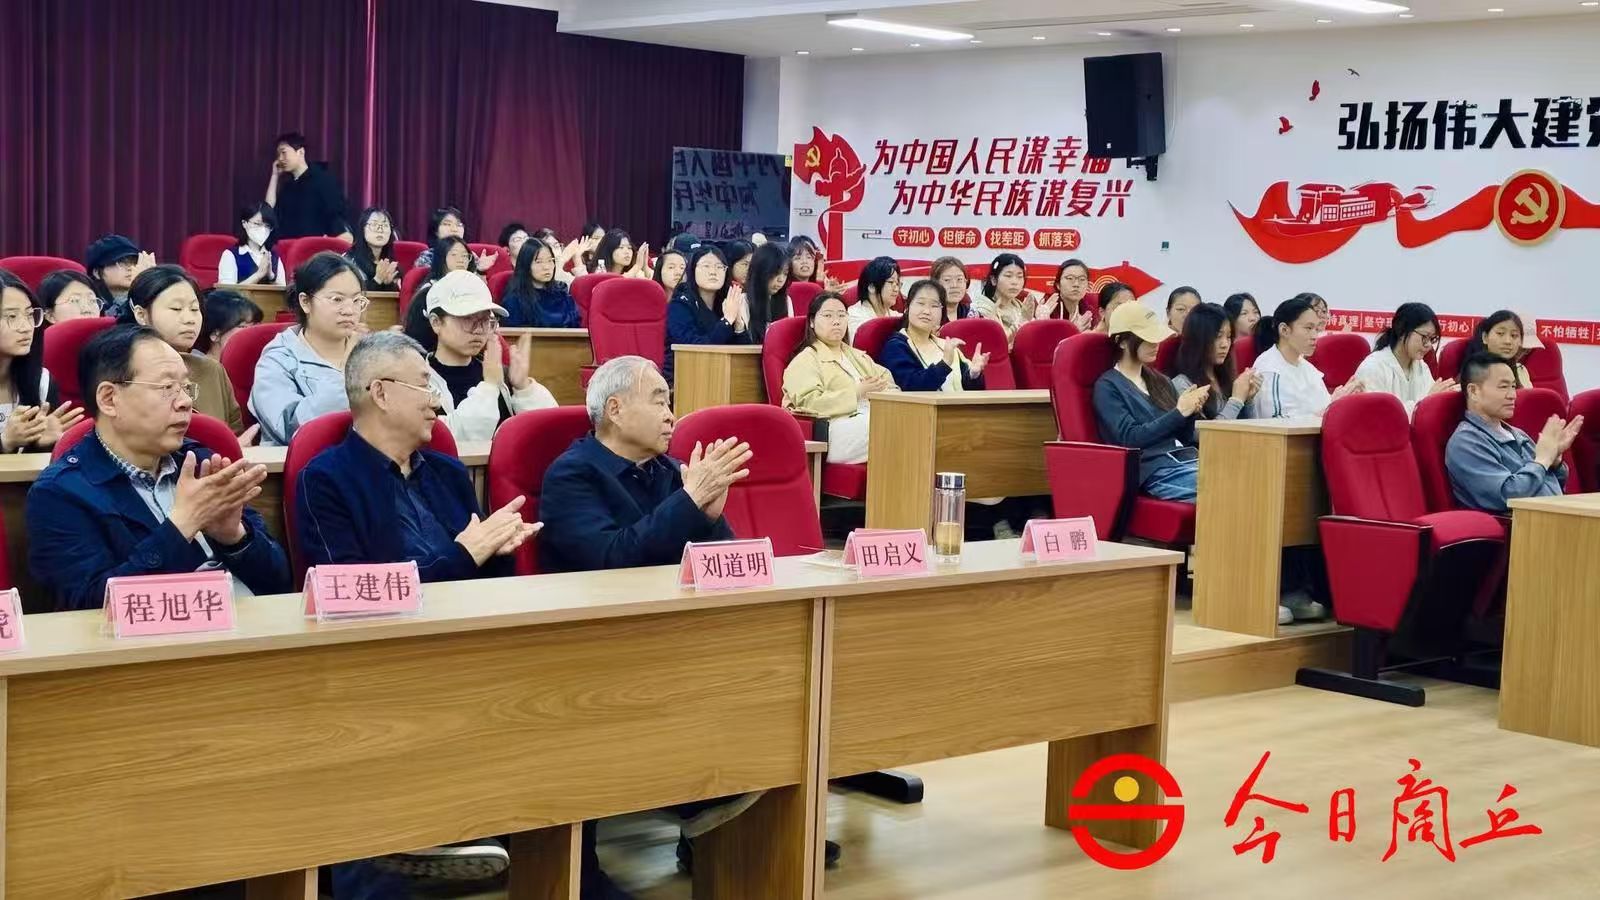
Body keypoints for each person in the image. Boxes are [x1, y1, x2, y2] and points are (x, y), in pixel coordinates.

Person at [27, 325, 290, 611]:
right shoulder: (61, 493)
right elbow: (89, 609)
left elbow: (281, 585)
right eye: (167, 388)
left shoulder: (202, 462)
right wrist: (182, 526)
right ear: (109, 399)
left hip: (246, 627)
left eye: (185, 387)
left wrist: (234, 538)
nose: (186, 402)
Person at [295, 330, 537, 579]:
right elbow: (350, 586)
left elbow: (480, 566)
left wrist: (497, 549)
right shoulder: (324, 480)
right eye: (424, 387)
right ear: (380, 394)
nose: (435, 402)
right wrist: (465, 554)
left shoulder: (449, 471)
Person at [539, 354, 747, 571]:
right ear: (615, 410)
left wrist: (709, 519)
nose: (670, 417)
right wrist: (689, 500)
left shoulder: (673, 469)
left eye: (669, 404)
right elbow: (609, 561)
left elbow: (722, 567)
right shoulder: (570, 475)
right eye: (659, 403)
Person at [1092, 302, 1207, 503]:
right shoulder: (1108, 386)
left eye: (1157, 337)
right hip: (1154, 471)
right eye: (1147, 338)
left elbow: (1184, 436)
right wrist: (1179, 412)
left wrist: (1191, 412)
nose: (1156, 344)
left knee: (1242, 476)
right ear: (1122, 342)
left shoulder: (1160, 380)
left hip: (1184, 460)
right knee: (1224, 485)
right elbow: (1129, 439)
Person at [423, 271, 556, 440]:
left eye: (486, 321)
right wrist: (490, 387)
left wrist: (524, 388)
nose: (479, 330)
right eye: (467, 319)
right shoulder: (418, 382)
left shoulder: (503, 376)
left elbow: (550, 430)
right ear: (436, 322)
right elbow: (450, 441)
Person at [250, 253, 366, 445]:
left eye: (356, 300)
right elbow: (290, 428)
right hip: (304, 460)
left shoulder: (371, 351)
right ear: (305, 302)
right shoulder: (278, 359)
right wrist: (348, 375)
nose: (349, 311)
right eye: (337, 299)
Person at [1447, 351, 1581, 513]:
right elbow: (1507, 496)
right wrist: (1542, 460)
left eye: (1513, 386)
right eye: (1503, 387)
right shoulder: (1467, 441)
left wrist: (1554, 462)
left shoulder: (1518, 434)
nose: (1512, 395)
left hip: (1550, 516)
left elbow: (1552, 486)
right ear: (1474, 391)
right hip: (1517, 524)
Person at [127, 266, 246, 434]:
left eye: (195, 309)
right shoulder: (125, 368)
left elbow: (234, 435)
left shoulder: (212, 370)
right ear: (141, 315)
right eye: (176, 309)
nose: (190, 319)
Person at [782, 292, 896, 463]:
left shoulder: (858, 356)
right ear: (812, 321)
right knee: (887, 425)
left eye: (841, 315)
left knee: (908, 419)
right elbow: (809, 404)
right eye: (828, 315)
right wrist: (856, 393)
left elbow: (888, 382)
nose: (836, 321)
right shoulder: (805, 360)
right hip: (832, 430)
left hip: (869, 417)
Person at [0, 270, 84, 452]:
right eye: (12, 317)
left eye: (30, 315)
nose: (26, 327)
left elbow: (33, 463)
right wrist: (4, 443)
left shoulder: (42, 381)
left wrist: (40, 444)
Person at [1249, 294, 1364, 418]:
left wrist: (1341, 398)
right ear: (1284, 330)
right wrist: (1333, 405)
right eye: (1308, 328)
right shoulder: (1270, 371)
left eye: (1316, 329)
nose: (1315, 336)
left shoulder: (1307, 367)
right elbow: (1279, 423)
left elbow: (1321, 407)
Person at [880, 280, 988, 392]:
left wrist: (973, 375)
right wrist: (944, 364)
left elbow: (967, 389)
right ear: (907, 308)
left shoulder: (945, 346)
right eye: (921, 303)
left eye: (934, 305)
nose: (927, 311)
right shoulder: (896, 347)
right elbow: (912, 386)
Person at [664, 245, 750, 384]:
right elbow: (697, 350)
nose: (713, 272)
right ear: (693, 270)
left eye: (719, 267)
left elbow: (744, 356)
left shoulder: (726, 302)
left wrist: (739, 325)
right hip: (684, 380)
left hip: (721, 377)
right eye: (706, 266)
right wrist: (727, 321)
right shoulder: (680, 305)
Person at [1355, 302, 1457, 406]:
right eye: (1424, 337)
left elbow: (1431, 401)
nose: (1429, 345)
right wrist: (1427, 402)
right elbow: (1381, 413)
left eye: (1432, 339)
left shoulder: (1421, 366)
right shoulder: (1373, 368)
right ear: (1401, 331)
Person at [1171, 302, 1260, 420]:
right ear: (1198, 339)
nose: (1225, 344)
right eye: (1218, 336)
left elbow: (1250, 427)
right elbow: (1203, 431)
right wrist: (1236, 400)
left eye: (1229, 337)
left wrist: (1247, 399)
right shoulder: (1183, 385)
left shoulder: (1226, 379)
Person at [264, 131, 351, 241]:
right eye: (278, 155)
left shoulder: (322, 179)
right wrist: (275, 175)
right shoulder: (287, 186)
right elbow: (268, 211)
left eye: (284, 152)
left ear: (300, 152)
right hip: (287, 245)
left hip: (314, 245)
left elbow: (336, 214)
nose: (280, 159)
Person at [971, 253, 1046, 346]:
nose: (1015, 282)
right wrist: (1022, 320)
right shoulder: (981, 308)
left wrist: (1041, 322)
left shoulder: (1019, 306)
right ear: (994, 279)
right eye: (1008, 276)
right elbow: (999, 343)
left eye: (1019, 277)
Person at [502, 239, 580, 328]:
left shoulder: (561, 292)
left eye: (550, 260)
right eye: (539, 262)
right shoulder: (515, 299)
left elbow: (576, 325)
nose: (546, 267)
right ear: (526, 265)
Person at [85, 233, 156, 318]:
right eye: (122, 263)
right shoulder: (92, 302)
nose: (130, 268)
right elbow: (115, 320)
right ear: (97, 272)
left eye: (134, 262)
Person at [217, 203, 285, 287]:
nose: (263, 229)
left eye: (267, 226)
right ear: (244, 223)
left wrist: (271, 277)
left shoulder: (274, 257)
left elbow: (283, 292)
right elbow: (226, 292)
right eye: (257, 224)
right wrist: (258, 275)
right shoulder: (230, 255)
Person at [1464, 309, 1537, 388]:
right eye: (1500, 333)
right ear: (1485, 337)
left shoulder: (1520, 370)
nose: (1508, 341)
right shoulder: (1474, 372)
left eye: (1514, 335)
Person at [413, 207, 497, 272]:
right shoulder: (428, 257)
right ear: (436, 231)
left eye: (459, 225)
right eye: (447, 224)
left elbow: (478, 287)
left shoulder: (471, 257)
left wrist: (480, 271)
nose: (454, 229)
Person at [344, 207, 401, 292]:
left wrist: (389, 285)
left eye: (385, 225)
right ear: (362, 229)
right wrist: (377, 280)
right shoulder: (349, 261)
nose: (380, 230)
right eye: (374, 225)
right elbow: (350, 293)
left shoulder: (391, 263)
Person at [196, 289, 263, 360]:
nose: (252, 332)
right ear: (215, 334)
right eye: (243, 326)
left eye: (255, 326)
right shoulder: (196, 364)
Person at [846, 256, 901, 341]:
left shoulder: (896, 316)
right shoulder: (853, 316)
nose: (896, 289)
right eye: (891, 282)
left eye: (897, 284)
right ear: (872, 287)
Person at [743, 242, 791, 340]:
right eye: (776, 273)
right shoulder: (743, 301)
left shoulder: (787, 300)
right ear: (761, 271)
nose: (781, 279)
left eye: (785, 273)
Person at [1045, 259, 1099, 331]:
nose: (1076, 284)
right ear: (1058, 285)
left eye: (1082, 279)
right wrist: (1075, 330)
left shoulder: (1088, 311)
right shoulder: (1047, 307)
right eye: (1070, 278)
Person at [928, 257, 973, 324]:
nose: (954, 285)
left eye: (959, 279)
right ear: (935, 284)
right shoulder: (928, 316)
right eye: (947, 280)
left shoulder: (971, 314)